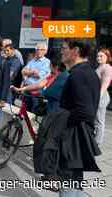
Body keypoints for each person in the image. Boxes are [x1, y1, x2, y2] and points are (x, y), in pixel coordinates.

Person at [58, 38, 101, 197]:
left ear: (75, 51)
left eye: (64, 48)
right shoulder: (87, 72)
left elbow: (85, 111)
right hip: (77, 135)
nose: (61, 51)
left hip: (73, 137)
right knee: (74, 182)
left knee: (68, 182)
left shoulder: (79, 74)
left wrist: (61, 121)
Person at [21, 43, 51, 112]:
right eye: (37, 49)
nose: (39, 51)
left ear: (45, 51)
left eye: (41, 49)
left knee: (34, 113)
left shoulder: (47, 62)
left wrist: (28, 72)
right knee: (25, 112)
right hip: (27, 89)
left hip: (37, 91)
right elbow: (23, 71)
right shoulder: (32, 61)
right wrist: (32, 72)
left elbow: (38, 75)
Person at [95, 48, 112, 144]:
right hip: (97, 96)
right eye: (98, 56)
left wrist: (98, 98)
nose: (98, 58)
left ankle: (97, 142)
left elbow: (105, 85)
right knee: (96, 119)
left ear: (107, 57)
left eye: (101, 56)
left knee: (99, 120)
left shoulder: (107, 68)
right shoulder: (100, 67)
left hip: (101, 96)